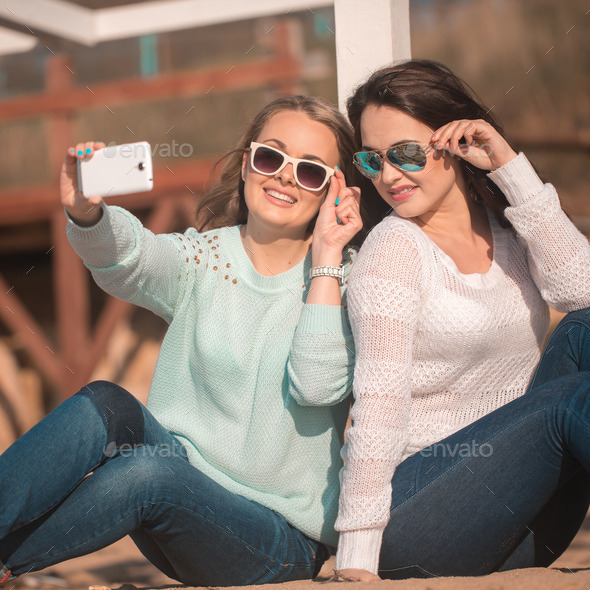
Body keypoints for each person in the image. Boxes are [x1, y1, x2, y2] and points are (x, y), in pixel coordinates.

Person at [0, 95, 363, 587]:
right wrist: (88, 215)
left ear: (335, 191)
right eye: (272, 157)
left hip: (277, 540)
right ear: (246, 164)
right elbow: (133, 260)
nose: (284, 176)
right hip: (179, 494)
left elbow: (319, 387)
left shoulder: (351, 278)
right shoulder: (205, 258)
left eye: (311, 171)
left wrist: (327, 261)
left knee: (150, 471)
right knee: (106, 402)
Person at [332, 60, 590, 581]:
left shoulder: (509, 230)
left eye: (405, 154)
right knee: (570, 400)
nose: (389, 175)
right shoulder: (393, 251)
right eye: (372, 159)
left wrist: (510, 169)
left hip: (519, 515)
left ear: (454, 140)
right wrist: (357, 556)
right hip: (422, 518)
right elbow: (378, 404)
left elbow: (582, 293)